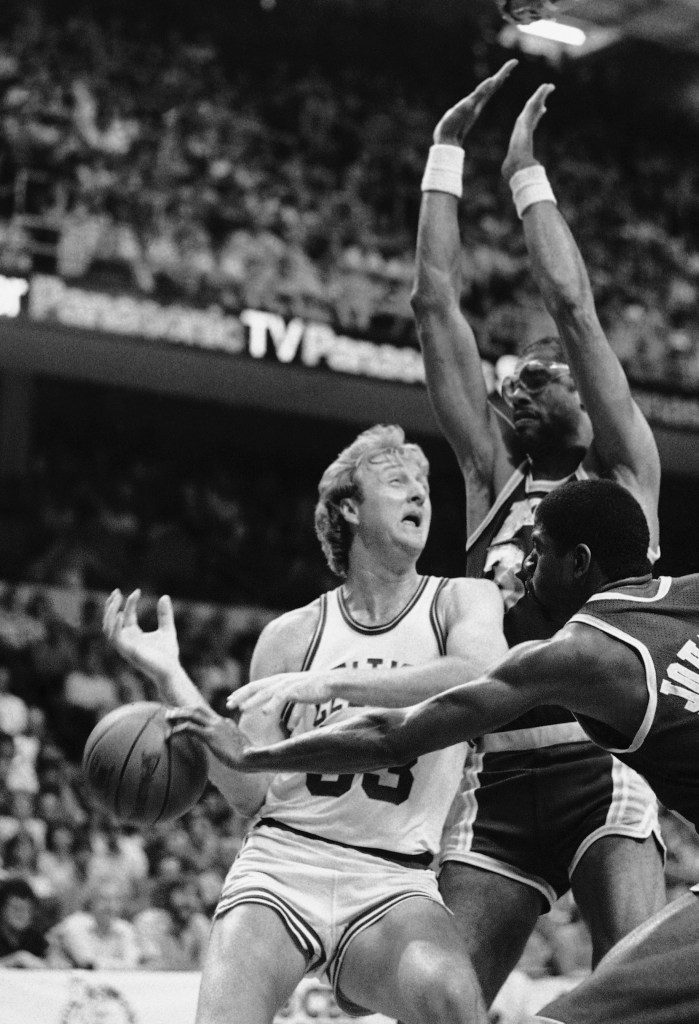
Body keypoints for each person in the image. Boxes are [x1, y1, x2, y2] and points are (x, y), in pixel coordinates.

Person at [176, 478, 699, 1024]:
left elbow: (392, 734)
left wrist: (255, 756)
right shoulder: (688, 593)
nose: (521, 570)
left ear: (579, 562)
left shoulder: (576, 655)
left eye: (536, 551)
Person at [103, 425, 508, 1024]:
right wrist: (171, 677)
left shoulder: (461, 601)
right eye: (397, 481)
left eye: (423, 486)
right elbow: (250, 790)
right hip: (284, 865)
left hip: (392, 878)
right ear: (348, 506)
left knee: (454, 1004)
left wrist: (334, 683)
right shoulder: (291, 636)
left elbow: (483, 671)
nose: (419, 495)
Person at [407, 60, 665, 998]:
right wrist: (443, 154)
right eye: (512, 373)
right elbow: (434, 302)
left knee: (635, 993)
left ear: (589, 406)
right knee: (442, 1006)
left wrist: (523, 172)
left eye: (543, 373)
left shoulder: (623, 476)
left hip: (603, 766)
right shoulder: (489, 478)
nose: (519, 376)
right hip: (499, 781)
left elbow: (574, 308)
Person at [0, 877, 48, 968]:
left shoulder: (34, 937)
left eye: (28, 910)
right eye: (16, 909)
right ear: (2, 909)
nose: (22, 915)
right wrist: (15, 959)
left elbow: (49, 963)